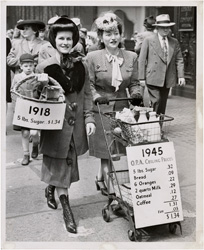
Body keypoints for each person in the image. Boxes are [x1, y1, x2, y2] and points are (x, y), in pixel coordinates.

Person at [36, 16, 96, 234]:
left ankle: (51, 187)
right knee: (61, 163)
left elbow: (87, 94)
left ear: (74, 40)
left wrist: (89, 118)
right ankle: (67, 209)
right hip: (55, 127)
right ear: (54, 39)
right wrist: (40, 87)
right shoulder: (45, 66)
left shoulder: (82, 65)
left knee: (66, 164)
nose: (65, 42)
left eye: (69, 39)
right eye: (61, 38)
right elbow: (35, 97)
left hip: (75, 126)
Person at [86, 12, 143, 195]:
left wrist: (136, 94)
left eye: (116, 33)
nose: (113, 37)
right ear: (101, 37)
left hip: (122, 109)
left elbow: (134, 82)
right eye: (108, 34)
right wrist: (95, 96)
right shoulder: (92, 57)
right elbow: (89, 84)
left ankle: (101, 179)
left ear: (121, 35)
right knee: (106, 150)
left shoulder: (131, 56)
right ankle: (112, 192)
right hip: (101, 109)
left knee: (119, 148)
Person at [138, 14, 185, 115]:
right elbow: (141, 60)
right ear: (157, 28)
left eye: (168, 27)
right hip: (153, 77)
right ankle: (153, 124)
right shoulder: (149, 40)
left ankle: (159, 126)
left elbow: (179, 59)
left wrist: (181, 76)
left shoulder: (174, 42)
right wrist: (141, 78)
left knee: (163, 103)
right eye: (163, 28)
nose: (166, 30)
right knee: (156, 100)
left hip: (167, 78)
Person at [11, 54, 40, 165]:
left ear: (34, 66)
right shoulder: (17, 78)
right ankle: (26, 154)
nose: (28, 68)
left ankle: (36, 145)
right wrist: (16, 106)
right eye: (26, 65)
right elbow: (13, 91)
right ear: (21, 66)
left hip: (35, 109)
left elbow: (41, 91)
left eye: (30, 65)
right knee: (25, 133)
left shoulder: (37, 77)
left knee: (34, 132)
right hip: (23, 108)